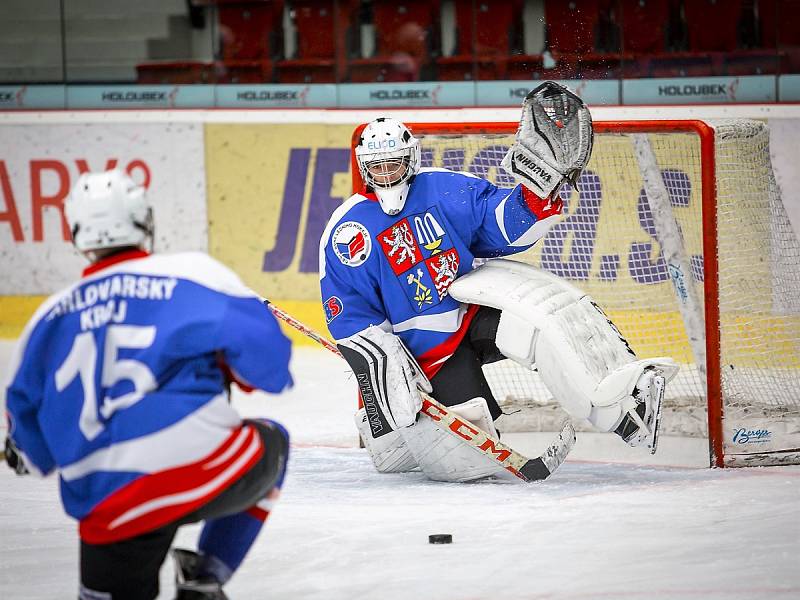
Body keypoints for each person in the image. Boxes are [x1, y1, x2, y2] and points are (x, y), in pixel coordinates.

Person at [319, 81, 678, 482]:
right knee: (461, 467)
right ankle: (399, 437)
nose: (387, 175)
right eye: (378, 167)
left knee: (542, 328)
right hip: (424, 360)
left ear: (411, 159)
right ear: (364, 168)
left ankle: (624, 410)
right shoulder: (348, 231)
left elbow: (500, 224)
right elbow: (348, 313)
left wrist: (536, 194)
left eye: (395, 164)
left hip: (470, 316)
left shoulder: (443, 189)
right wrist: (385, 367)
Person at [4, 169, 293, 600]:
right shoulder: (194, 272)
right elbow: (270, 367)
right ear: (145, 221)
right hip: (198, 465)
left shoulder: (46, 318)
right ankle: (204, 578)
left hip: (107, 503)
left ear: (76, 232)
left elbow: (30, 451)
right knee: (272, 442)